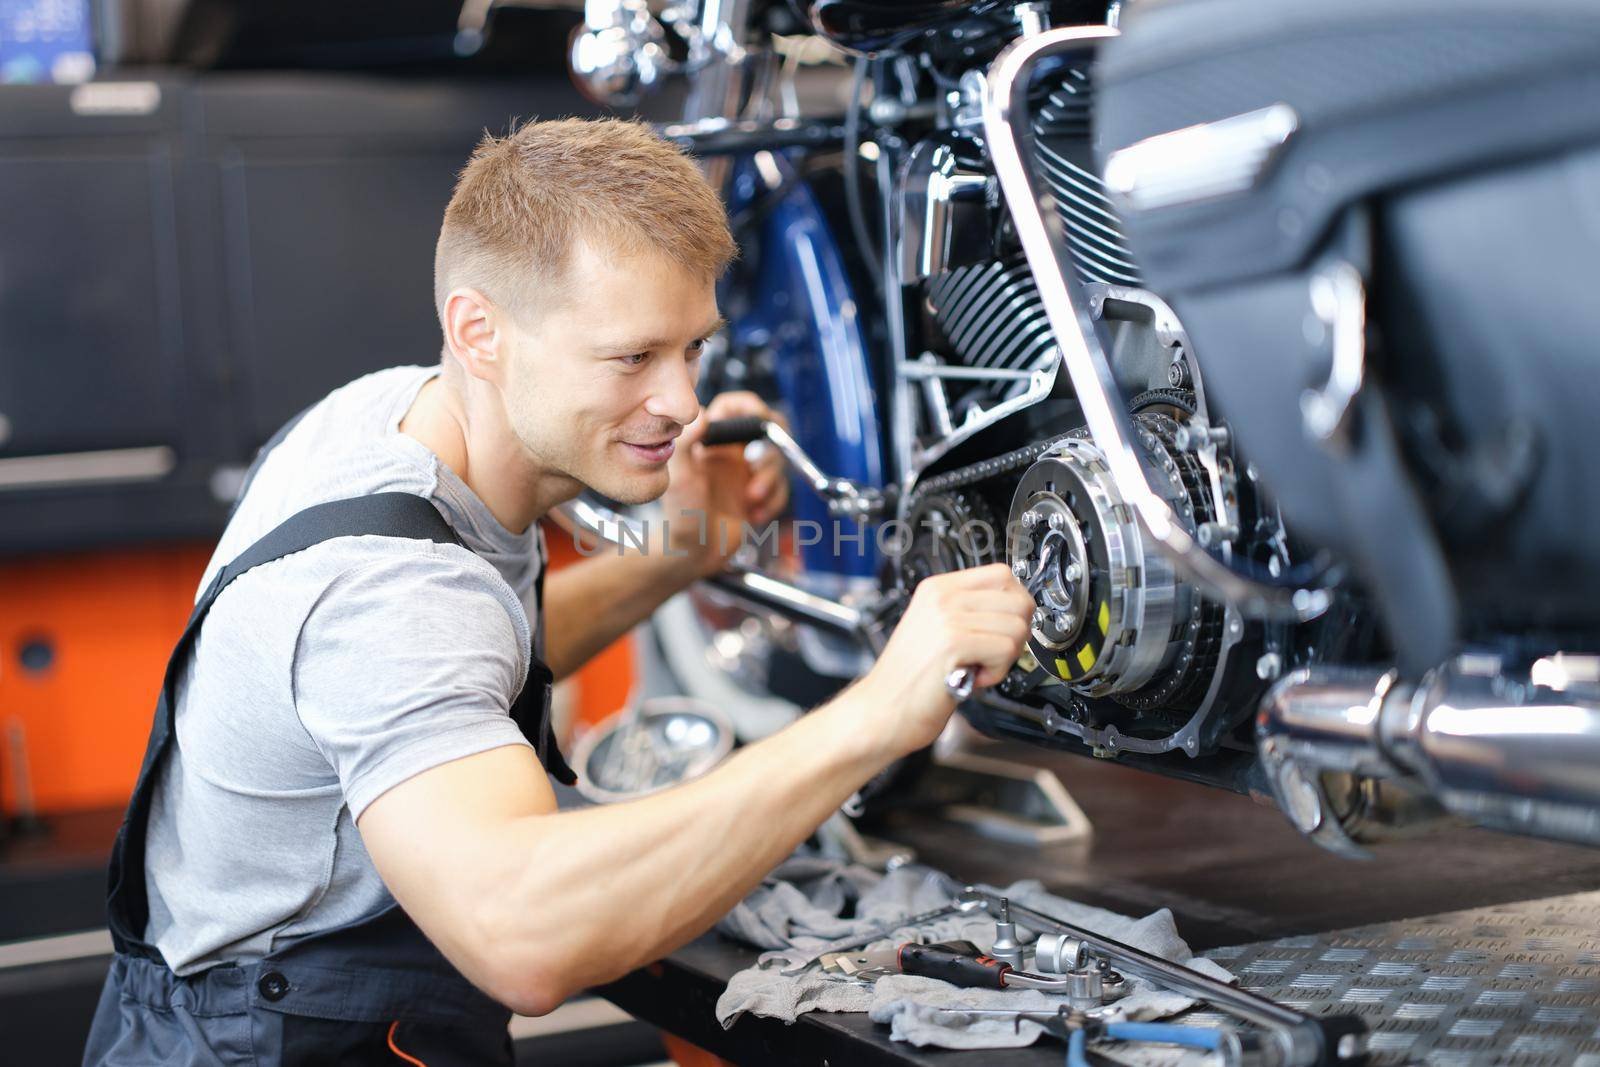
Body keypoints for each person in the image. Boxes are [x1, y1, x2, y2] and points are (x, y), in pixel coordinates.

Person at [83, 117, 1035, 1065]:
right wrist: (877, 713)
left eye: (693, 348)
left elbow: (474, 660)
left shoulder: (394, 416)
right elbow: (523, 938)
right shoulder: (386, 586)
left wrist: (680, 556)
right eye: (631, 357)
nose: (683, 402)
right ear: (479, 330)